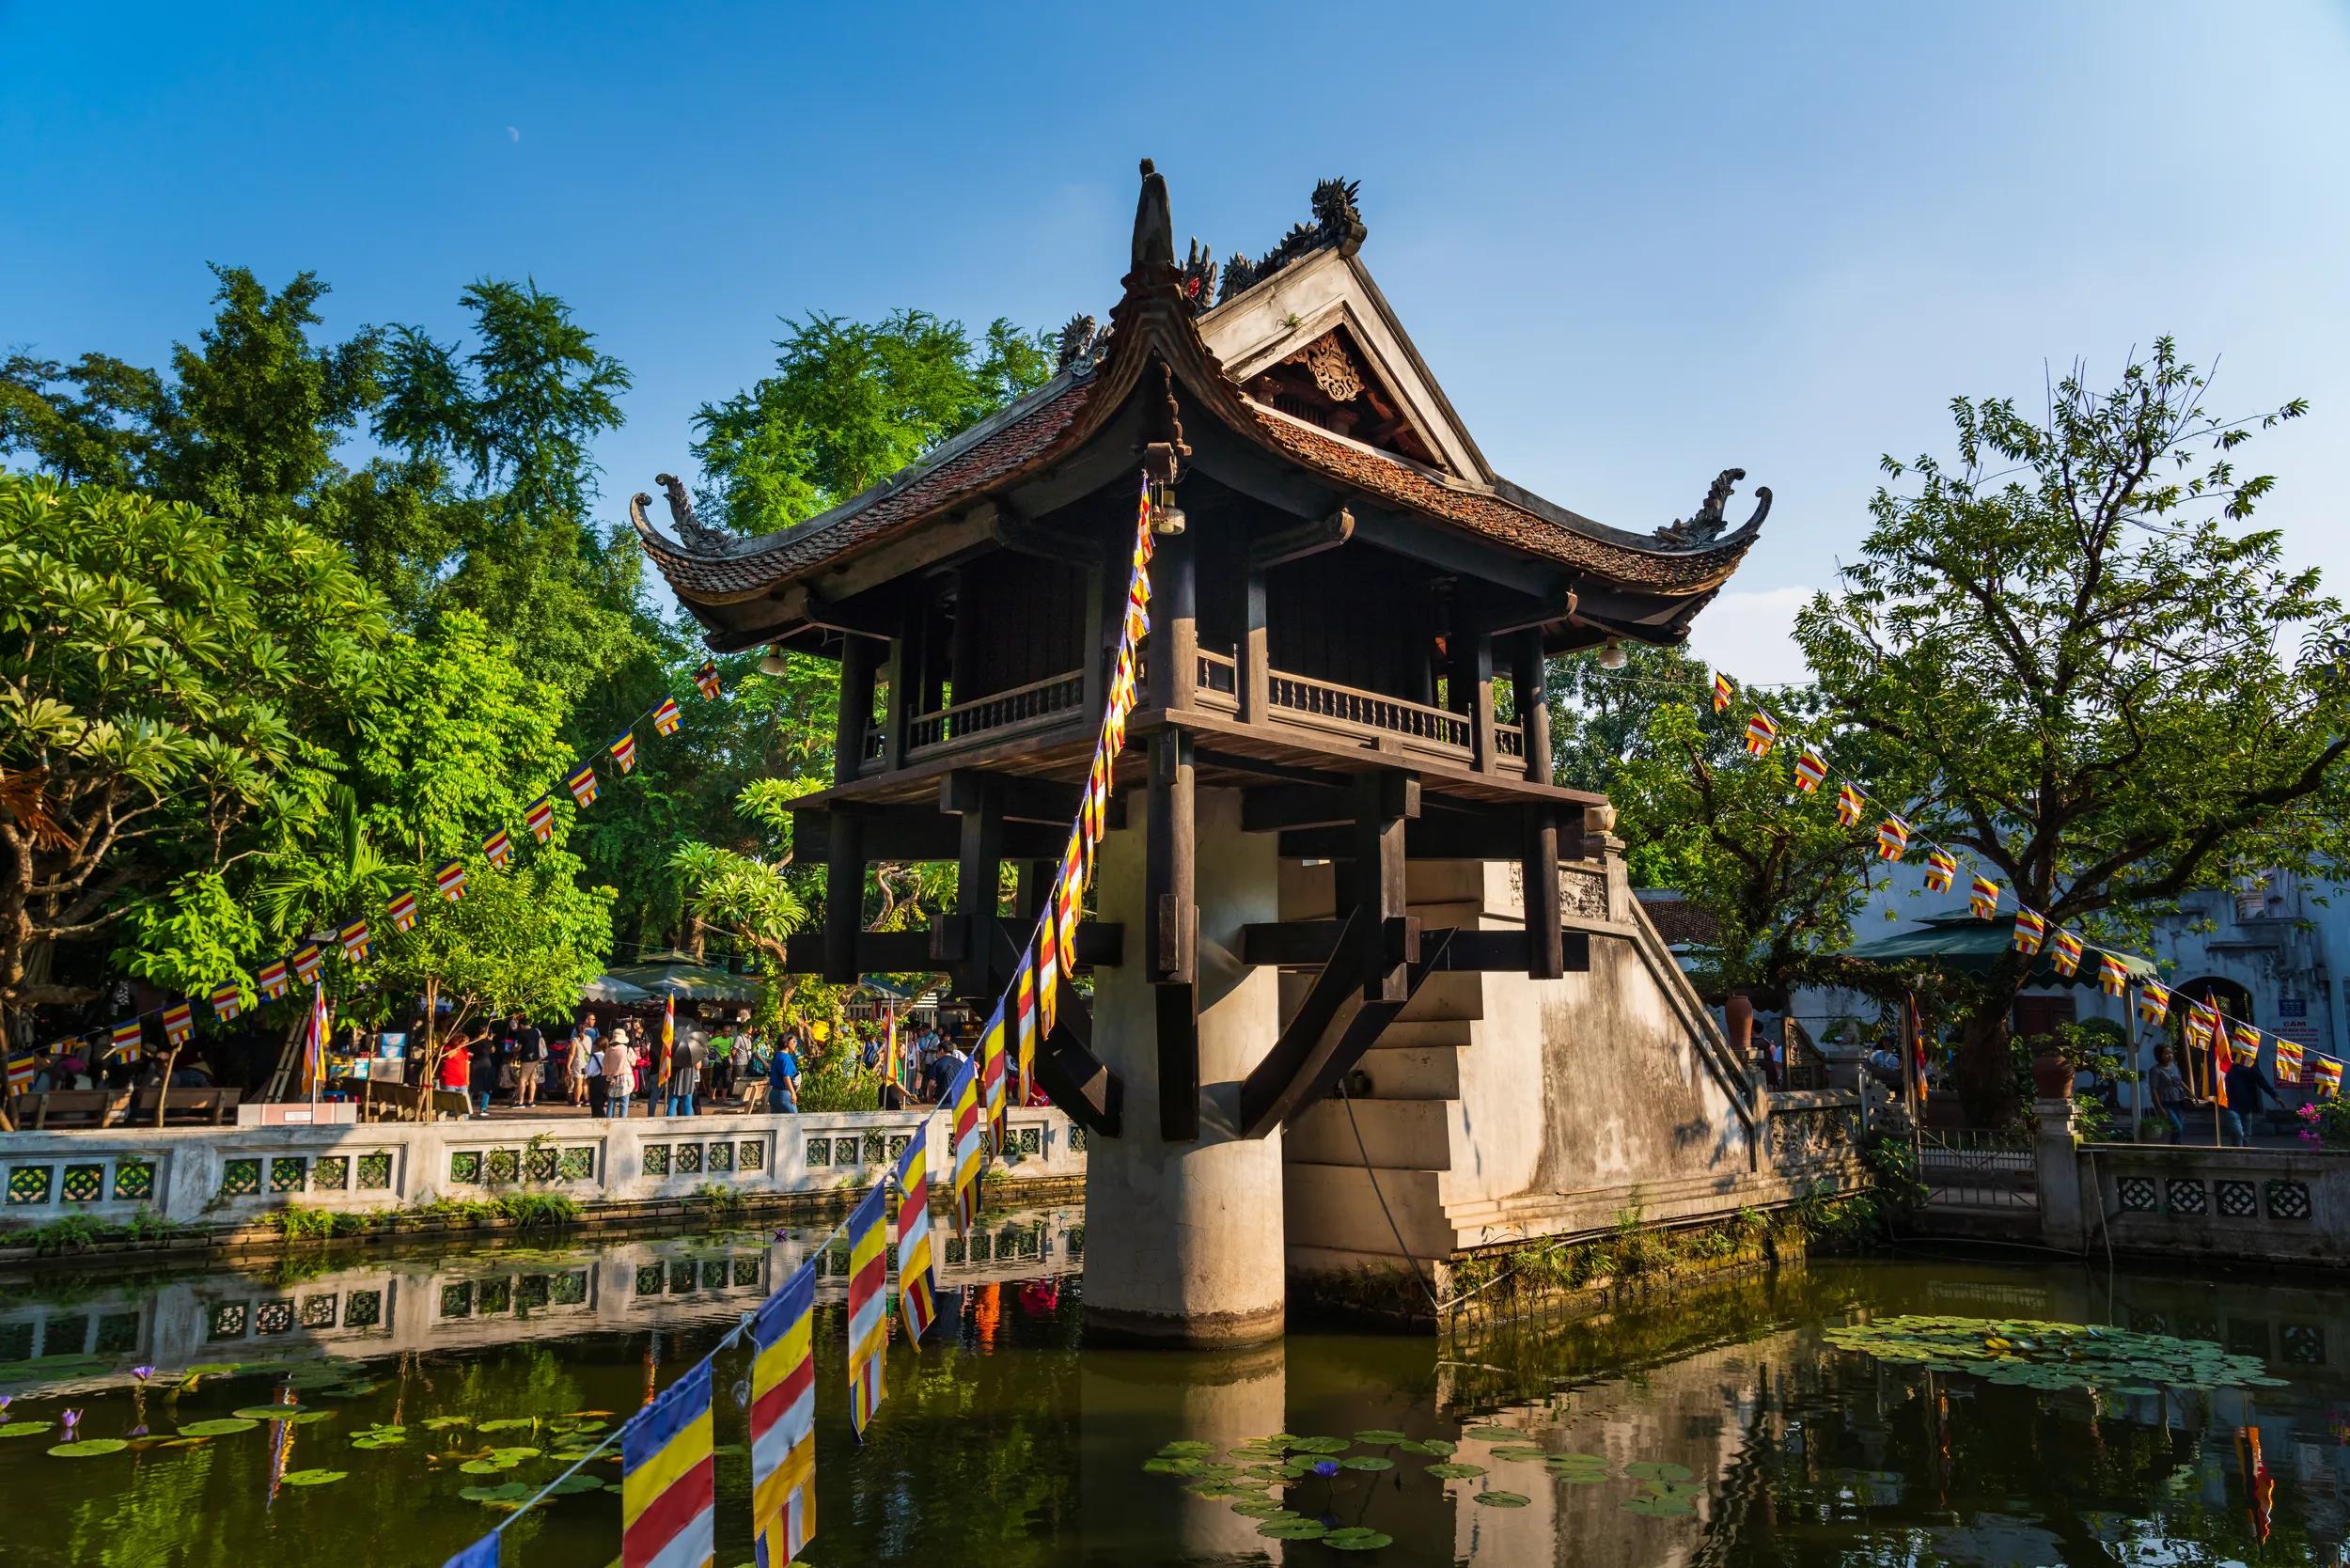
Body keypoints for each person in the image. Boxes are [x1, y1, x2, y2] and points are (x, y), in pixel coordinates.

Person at [2222, 1055, 2279, 1146]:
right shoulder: (2225, 1059)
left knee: (2246, 1138)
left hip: (2247, 1106)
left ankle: (2241, 1153)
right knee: (2238, 1134)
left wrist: (2274, 1095)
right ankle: (2238, 1152)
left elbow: (2260, 1080)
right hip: (2230, 1105)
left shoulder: (2248, 1060)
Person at [2150, 1046, 2191, 1144]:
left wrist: (2190, 1092)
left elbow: (2179, 1081)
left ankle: (2177, 1148)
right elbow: (2153, 1089)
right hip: (2165, 1103)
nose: (2170, 1056)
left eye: (2171, 1053)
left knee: (2180, 1128)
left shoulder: (2173, 1067)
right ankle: (2173, 1148)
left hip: (2178, 1101)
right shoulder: (2155, 1070)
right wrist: (2159, 1107)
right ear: (2160, 1055)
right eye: (2166, 1054)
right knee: (2177, 1127)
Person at [509, 1011, 544, 1110]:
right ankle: (531, 1101)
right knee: (532, 1080)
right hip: (536, 1058)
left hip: (527, 1059)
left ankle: (520, 1102)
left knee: (522, 1080)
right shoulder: (536, 1031)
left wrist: (512, 1049)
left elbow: (518, 1048)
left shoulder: (522, 1034)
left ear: (521, 1025)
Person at [603, 1026, 635, 1119]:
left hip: (612, 1078)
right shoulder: (627, 1049)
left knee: (611, 1103)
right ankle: (622, 1122)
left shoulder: (608, 1050)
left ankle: (609, 1122)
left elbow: (605, 1064)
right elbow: (633, 1062)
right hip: (625, 1079)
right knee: (624, 1102)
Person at [666, 1034, 701, 1120]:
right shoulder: (694, 1047)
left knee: (673, 1101)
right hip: (688, 1077)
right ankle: (688, 1124)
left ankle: (668, 1122)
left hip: (676, 1076)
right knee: (688, 1102)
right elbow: (698, 1066)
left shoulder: (673, 1045)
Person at [468, 1030, 500, 1119]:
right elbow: (493, 1050)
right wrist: (490, 1040)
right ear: (485, 1033)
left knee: (472, 1087)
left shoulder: (472, 1042)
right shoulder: (487, 1042)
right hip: (486, 1065)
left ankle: (468, 1108)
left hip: (474, 1065)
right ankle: (483, 1109)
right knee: (486, 1087)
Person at [768, 1033, 802, 1114]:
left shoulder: (777, 1055)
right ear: (786, 1043)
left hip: (774, 1094)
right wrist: (793, 1093)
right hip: (784, 1095)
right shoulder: (785, 1057)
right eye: (794, 1041)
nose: (795, 1044)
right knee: (793, 1120)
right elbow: (786, 1077)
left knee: (776, 1121)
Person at [566, 1024, 595, 1107]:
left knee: (578, 1083)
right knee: (585, 1083)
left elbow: (571, 1054)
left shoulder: (575, 1040)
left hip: (578, 1063)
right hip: (587, 1063)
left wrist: (568, 1065)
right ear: (585, 1030)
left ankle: (577, 1101)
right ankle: (586, 1100)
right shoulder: (589, 1039)